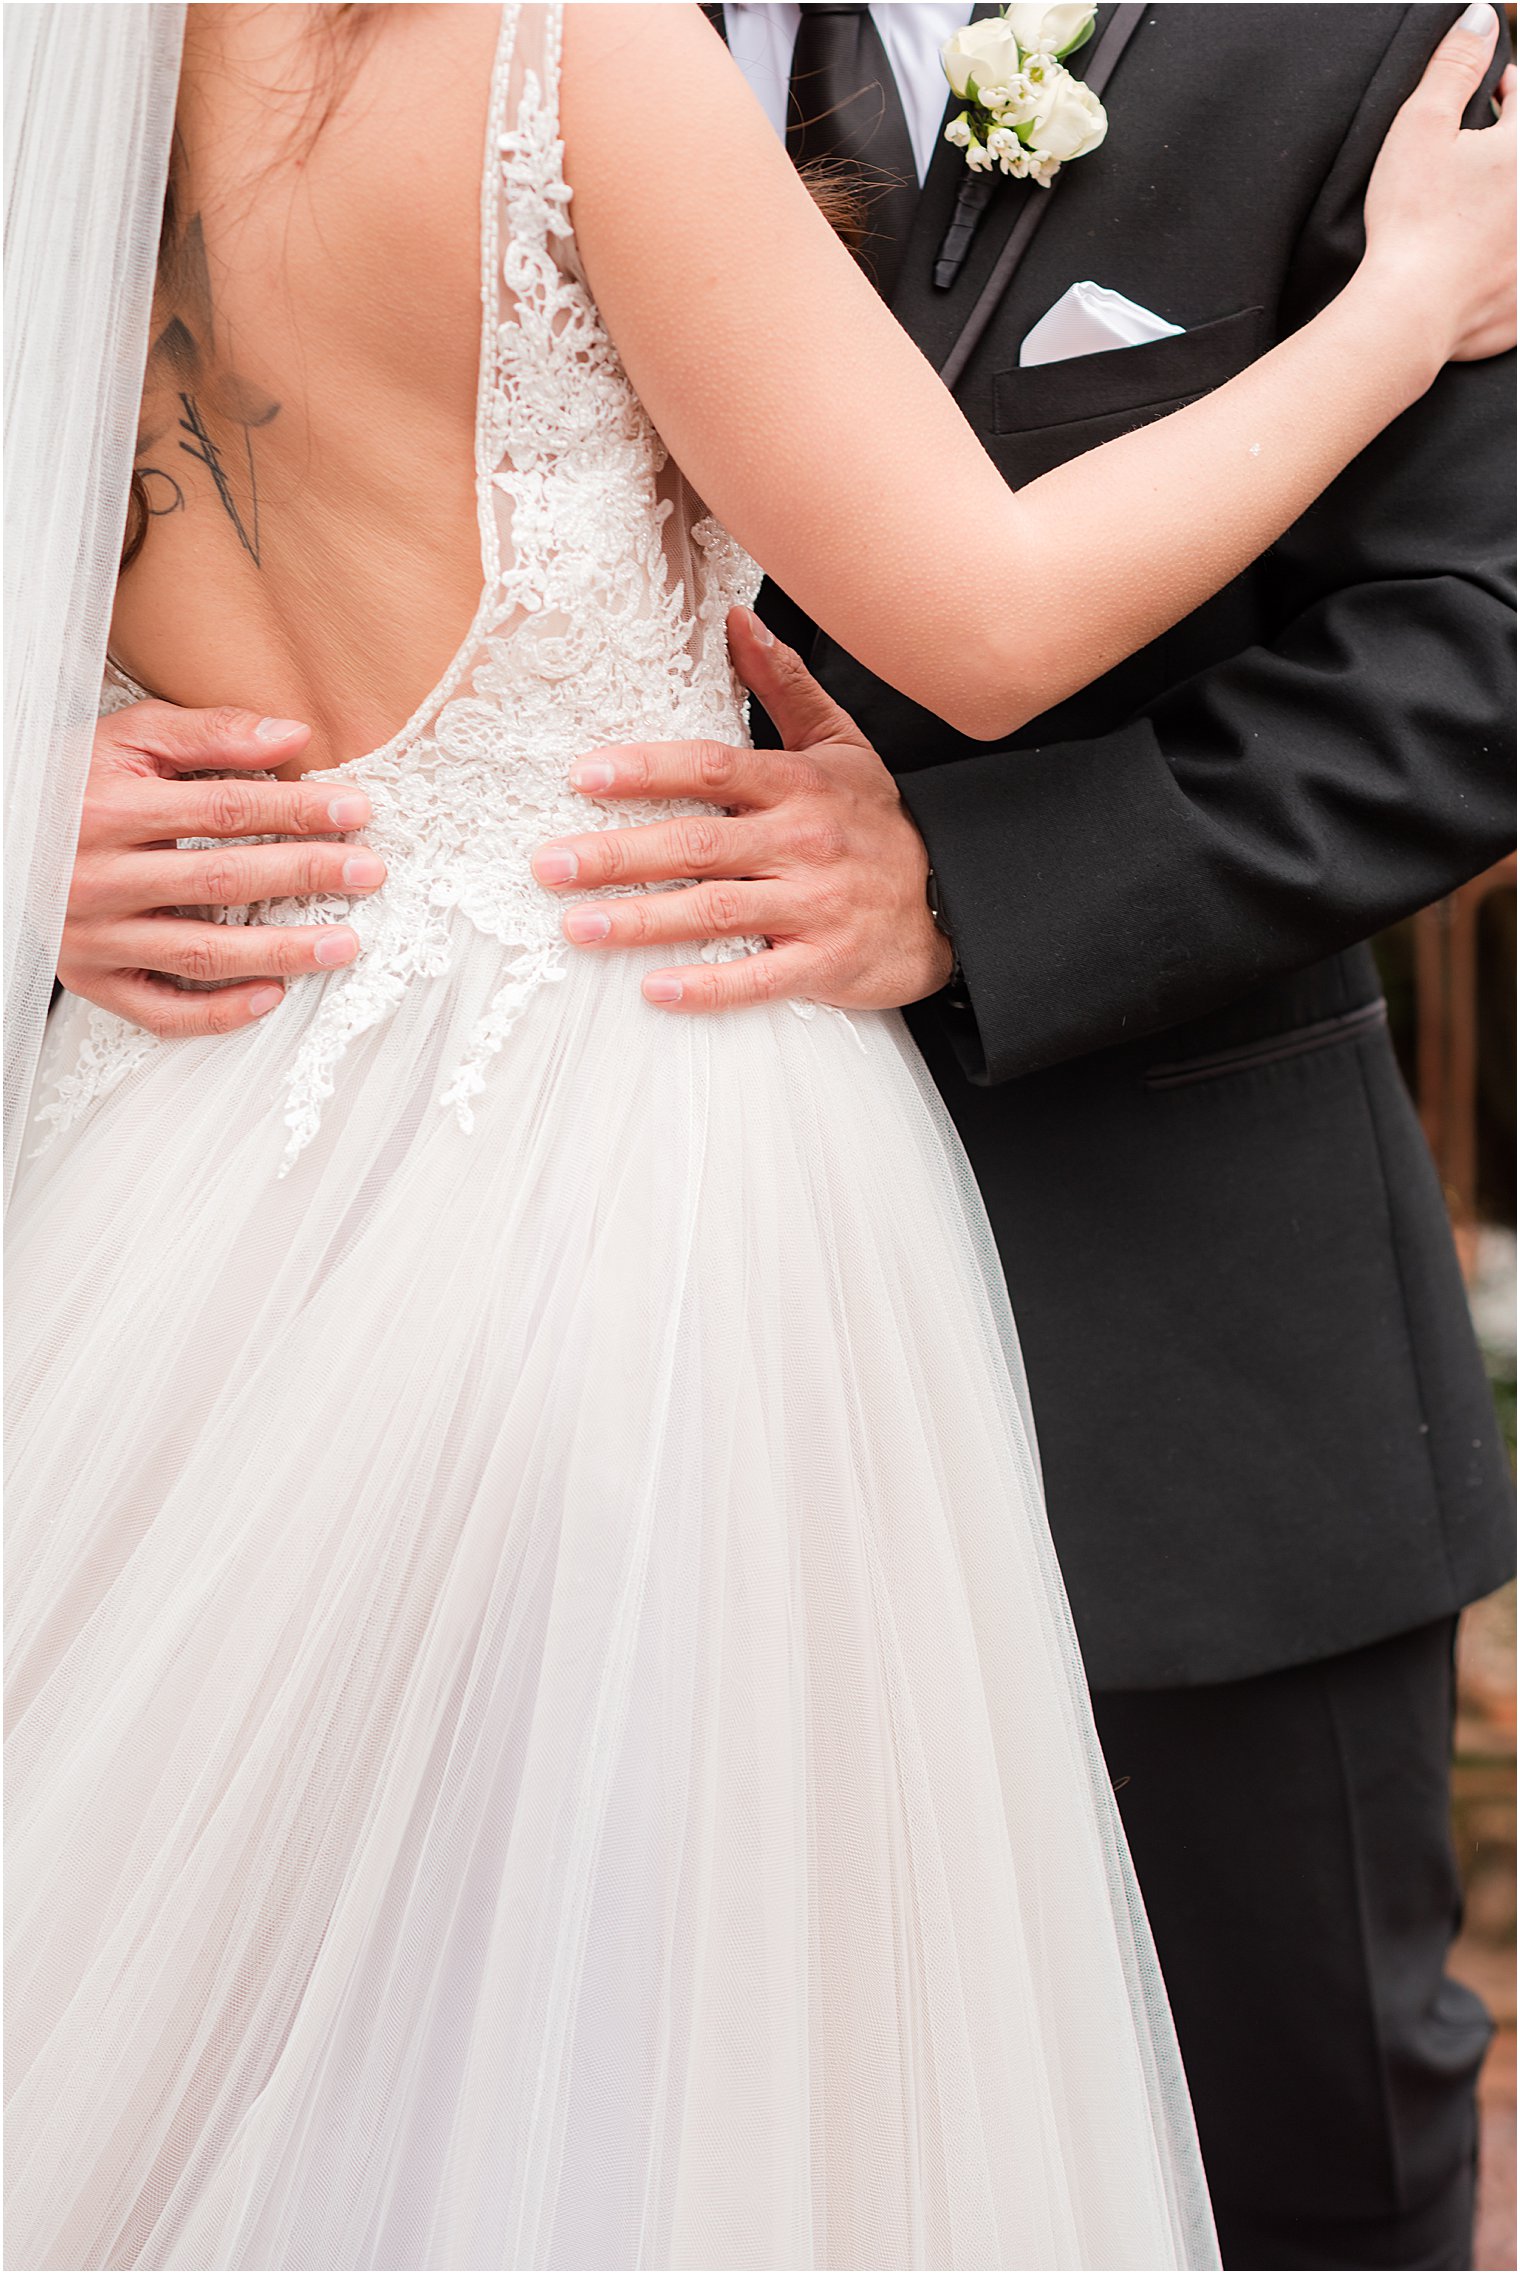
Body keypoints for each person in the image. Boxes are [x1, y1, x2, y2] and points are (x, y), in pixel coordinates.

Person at [5, 4, 1513, 2268]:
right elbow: (984, 616)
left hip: (189, 1193)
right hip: (633, 1182)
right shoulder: (576, 56)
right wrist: (1405, 305)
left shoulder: (85, 70)